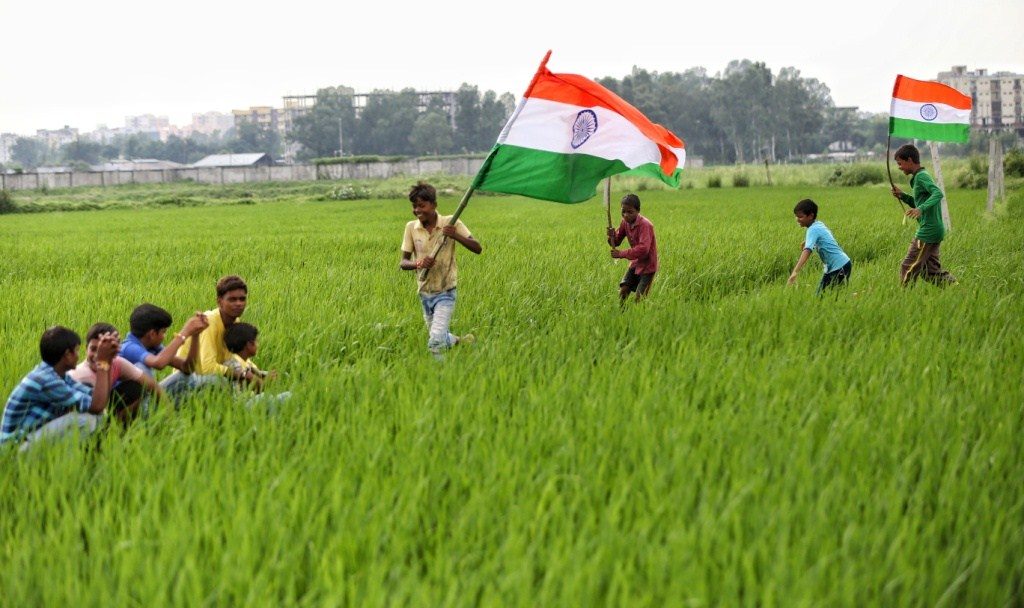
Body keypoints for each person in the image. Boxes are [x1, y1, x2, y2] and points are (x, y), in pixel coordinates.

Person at [1, 326, 118, 450]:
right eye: (77, 351)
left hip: (30, 440)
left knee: (98, 417)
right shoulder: (45, 380)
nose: (79, 356)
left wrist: (108, 361)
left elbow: (97, 400)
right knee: (85, 420)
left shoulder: (60, 376)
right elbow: (96, 406)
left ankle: (79, 458)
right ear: (67, 355)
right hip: (15, 448)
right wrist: (103, 362)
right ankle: (68, 462)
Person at [400, 181, 482, 357]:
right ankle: (463, 341)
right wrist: (418, 264)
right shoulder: (411, 228)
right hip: (424, 292)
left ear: (434, 205)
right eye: (414, 206)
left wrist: (455, 235)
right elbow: (403, 262)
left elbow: (477, 248)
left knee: (435, 342)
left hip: (445, 292)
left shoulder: (451, 222)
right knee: (439, 335)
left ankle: (440, 375)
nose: (417, 210)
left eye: (422, 205)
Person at [162, 275, 250, 397]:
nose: (239, 304)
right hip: (189, 380)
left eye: (242, 299)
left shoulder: (235, 321)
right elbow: (207, 367)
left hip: (207, 377)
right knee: (222, 382)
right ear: (219, 301)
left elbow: (233, 356)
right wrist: (242, 375)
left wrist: (254, 372)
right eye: (232, 300)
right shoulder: (209, 322)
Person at [890, 144, 957, 286]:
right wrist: (902, 196)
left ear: (909, 160)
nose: (899, 167)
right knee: (930, 273)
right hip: (935, 230)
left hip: (928, 231)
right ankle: (957, 289)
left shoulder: (921, 176)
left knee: (907, 267)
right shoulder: (919, 177)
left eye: (900, 163)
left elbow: (938, 193)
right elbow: (918, 201)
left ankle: (903, 301)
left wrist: (921, 209)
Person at [69, 322, 162, 423]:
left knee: (136, 388)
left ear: (117, 350)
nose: (98, 355)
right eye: (93, 349)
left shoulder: (118, 363)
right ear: (86, 348)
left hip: (104, 413)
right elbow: (94, 410)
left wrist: (171, 416)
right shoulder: (80, 376)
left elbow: (153, 386)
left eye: (105, 350)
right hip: (85, 421)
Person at [120, 303, 208, 380]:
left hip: (151, 393)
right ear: (152, 334)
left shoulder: (153, 347)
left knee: (188, 378)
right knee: (141, 368)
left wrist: (195, 335)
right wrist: (184, 333)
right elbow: (158, 363)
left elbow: (187, 368)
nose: (164, 337)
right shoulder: (129, 347)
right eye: (163, 332)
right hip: (127, 397)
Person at [788, 199, 852, 295]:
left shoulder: (813, 229)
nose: (797, 219)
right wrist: (808, 241)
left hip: (839, 267)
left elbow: (807, 251)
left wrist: (795, 272)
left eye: (800, 217)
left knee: (824, 297)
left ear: (811, 216)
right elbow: (825, 235)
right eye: (796, 216)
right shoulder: (818, 224)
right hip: (841, 264)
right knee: (829, 296)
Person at [222, 322, 289, 407]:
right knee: (282, 396)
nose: (258, 344)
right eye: (256, 341)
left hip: (250, 400)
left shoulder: (243, 362)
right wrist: (267, 380)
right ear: (249, 345)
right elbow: (260, 387)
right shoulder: (234, 365)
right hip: (242, 405)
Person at [607, 193, 658, 303]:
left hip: (648, 266)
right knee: (623, 291)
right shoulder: (625, 222)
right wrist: (611, 236)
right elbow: (616, 242)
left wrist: (621, 254)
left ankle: (640, 316)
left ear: (638, 211)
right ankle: (621, 316)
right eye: (623, 211)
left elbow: (643, 249)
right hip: (635, 263)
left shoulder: (646, 225)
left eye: (630, 212)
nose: (625, 215)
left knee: (640, 299)